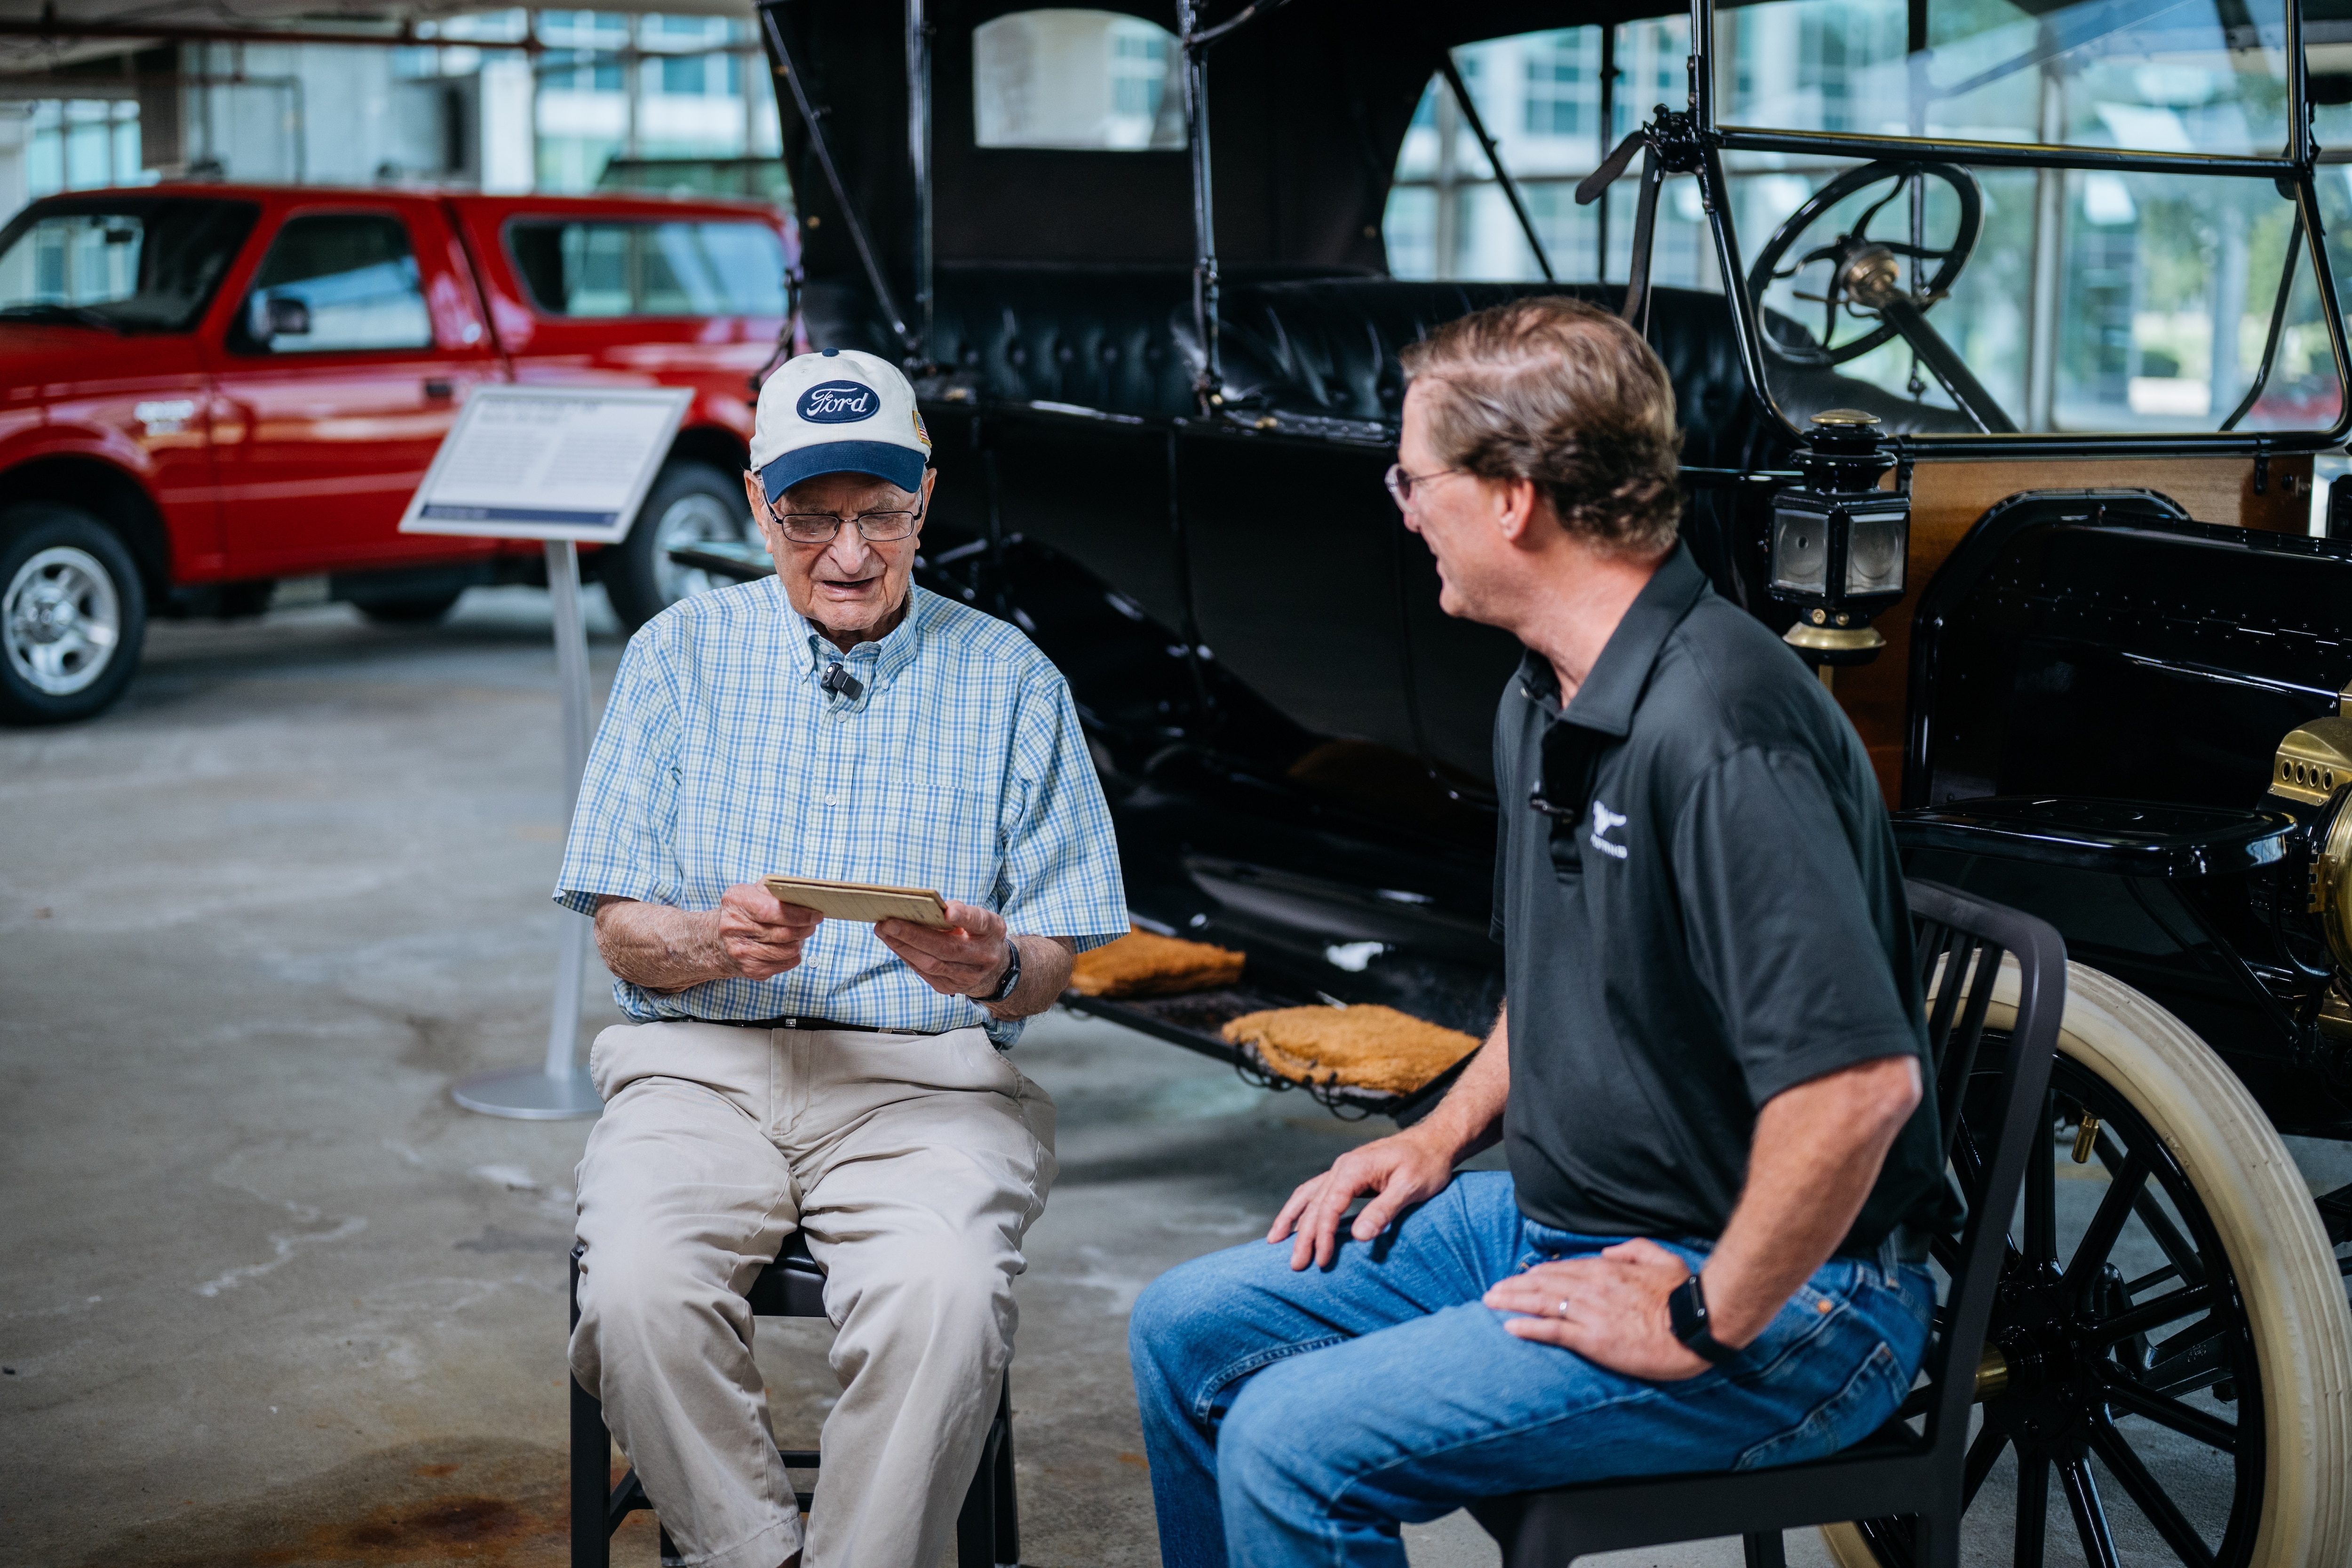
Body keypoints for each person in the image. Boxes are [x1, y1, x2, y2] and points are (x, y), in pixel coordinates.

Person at [1127, 297, 1949, 1568]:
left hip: (1800, 1302)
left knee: (1292, 1442)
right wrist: (1438, 1134)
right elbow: (1563, 976)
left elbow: (1859, 1089)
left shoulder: (1721, 731)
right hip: (1562, 1217)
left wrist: (1701, 1315)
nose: (1402, 505)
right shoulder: (1546, 689)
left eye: (1415, 474)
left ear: (1512, 496)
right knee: (1186, 1329)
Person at [559, 347, 1128, 1568]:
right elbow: (617, 928)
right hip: (698, 1069)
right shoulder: (676, 657)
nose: (851, 553)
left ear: (925, 498)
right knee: (638, 1293)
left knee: (947, 1296)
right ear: (760, 500)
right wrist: (711, 938)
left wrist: (991, 967)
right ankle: (749, 1554)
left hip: (923, 1084)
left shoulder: (1015, 681)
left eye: (879, 515)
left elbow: (1059, 958)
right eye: (812, 518)